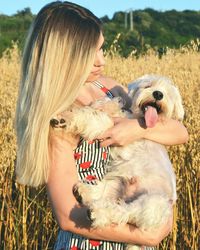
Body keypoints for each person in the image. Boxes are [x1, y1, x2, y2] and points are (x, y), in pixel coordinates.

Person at [15, 1, 188, 249]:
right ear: (65, 56)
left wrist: (135, 128)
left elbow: (179, 131)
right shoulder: (58, 117)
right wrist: (146, 237)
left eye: (102, 49)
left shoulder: (107, 87)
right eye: (91, 53)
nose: (101, 61)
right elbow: (67, 215)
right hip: (91, 240)